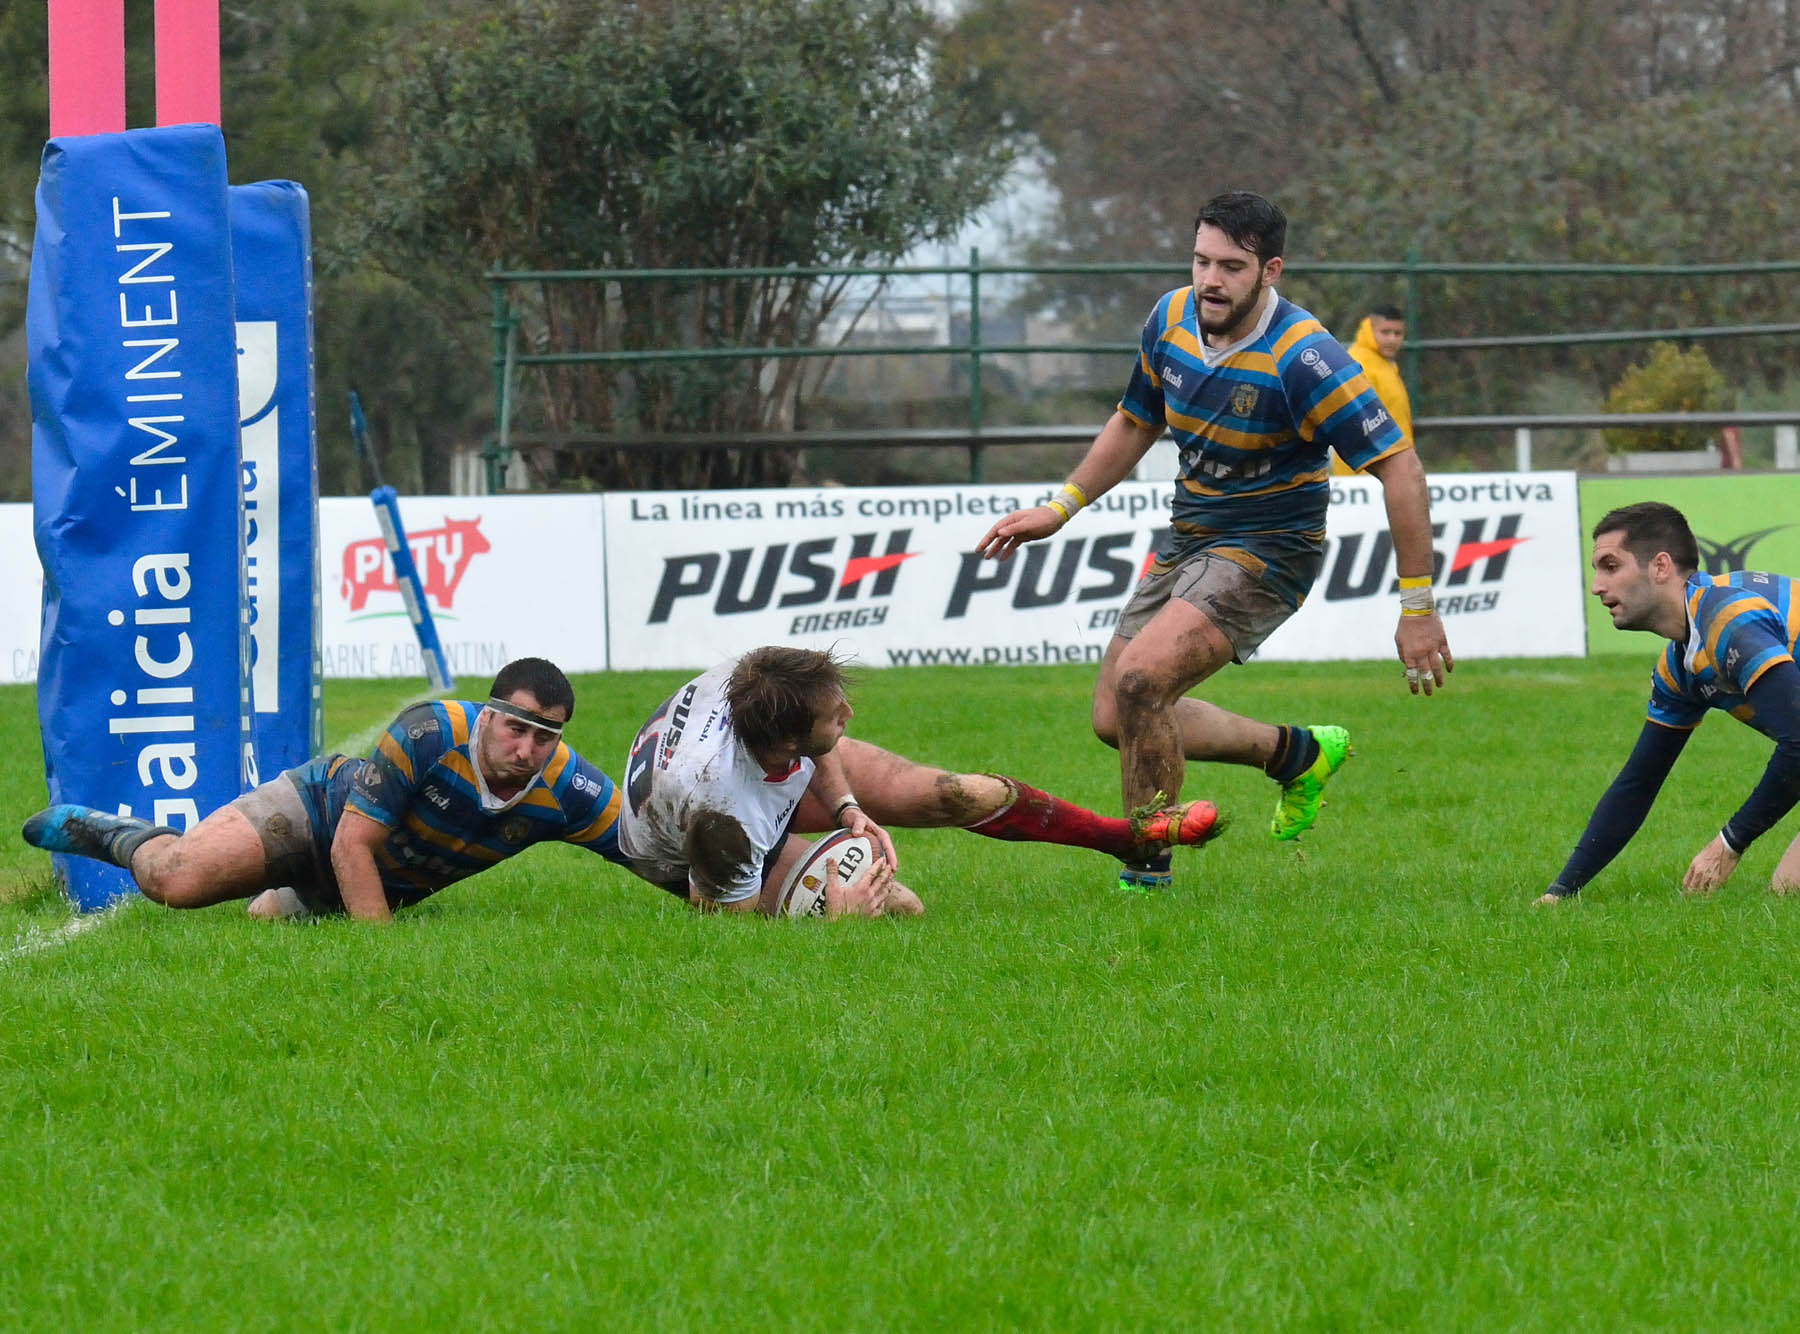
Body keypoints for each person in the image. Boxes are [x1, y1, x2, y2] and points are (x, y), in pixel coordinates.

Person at [975, 190, 1453, 892]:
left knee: (1143, 681)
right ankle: (1295, 753)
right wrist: (1062, 506)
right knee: (1116, 715)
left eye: (1231, 266)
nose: (1210, 280)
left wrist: (1418, 607)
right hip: (1191, 534)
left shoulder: (1306, 357)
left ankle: (1147, 874)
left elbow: (1401, 467)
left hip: (1270, 547)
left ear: (1271, 271)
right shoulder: (1170, 318)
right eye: (1201, 260)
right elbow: (1136, 420)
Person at [617, 645, 1223, 914]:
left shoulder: (761, 683)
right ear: (788, 740)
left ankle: (1125, 836)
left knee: (961, 793)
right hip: (689, 852)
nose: (848, 717)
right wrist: (836, 925)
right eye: (836, 716)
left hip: (750, 775)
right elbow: (724, 921)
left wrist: (848, 807)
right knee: (902, 908)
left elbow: (814, 747)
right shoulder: (725, 819)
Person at [22, 658, 626, 922]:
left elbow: (648, 848)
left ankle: (281, 891)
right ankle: (123, 836)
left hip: (374, 881)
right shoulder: (429, 730)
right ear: (488, 716)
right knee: (177, 883)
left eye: (544, 738)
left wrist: (720, 895)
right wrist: (381, 963)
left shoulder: (568, 787)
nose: (526, 751)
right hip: (318, 816)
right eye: (517, 729)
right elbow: (350, 847)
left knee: (264, 924)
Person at [1535, 502, 1800, 904]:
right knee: (1787, 894)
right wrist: (1561, 892)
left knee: (1787, 895)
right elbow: (1639, 782)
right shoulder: (1681, 664)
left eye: (1610, 566)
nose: (1597, 586)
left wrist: (1729, 843)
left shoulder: (1729, 618)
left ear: (1660, 567)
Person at [1333, 303, 1413, 477]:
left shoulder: (1384, 365)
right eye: (1385, 332)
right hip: (1367, 476)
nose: (1392, 339)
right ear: (1370, 329)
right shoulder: (1359, 364)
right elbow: (1356, 426)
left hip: (1389, 469)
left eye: (1398, 333)